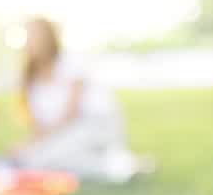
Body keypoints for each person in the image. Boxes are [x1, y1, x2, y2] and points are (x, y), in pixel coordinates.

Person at [8, 17, 139, 182]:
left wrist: (35, 147)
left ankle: (123, 167)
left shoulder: (70, 61)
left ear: (48, 38)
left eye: (34, 35)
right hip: (64, 132)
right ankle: (116, 162)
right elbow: (39, 125)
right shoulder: (30, 78)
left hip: (94, 124)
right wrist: (27, 146)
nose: (29, 41)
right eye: (27, 36)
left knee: (44, 160)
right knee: (31, 159)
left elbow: (70, 113)